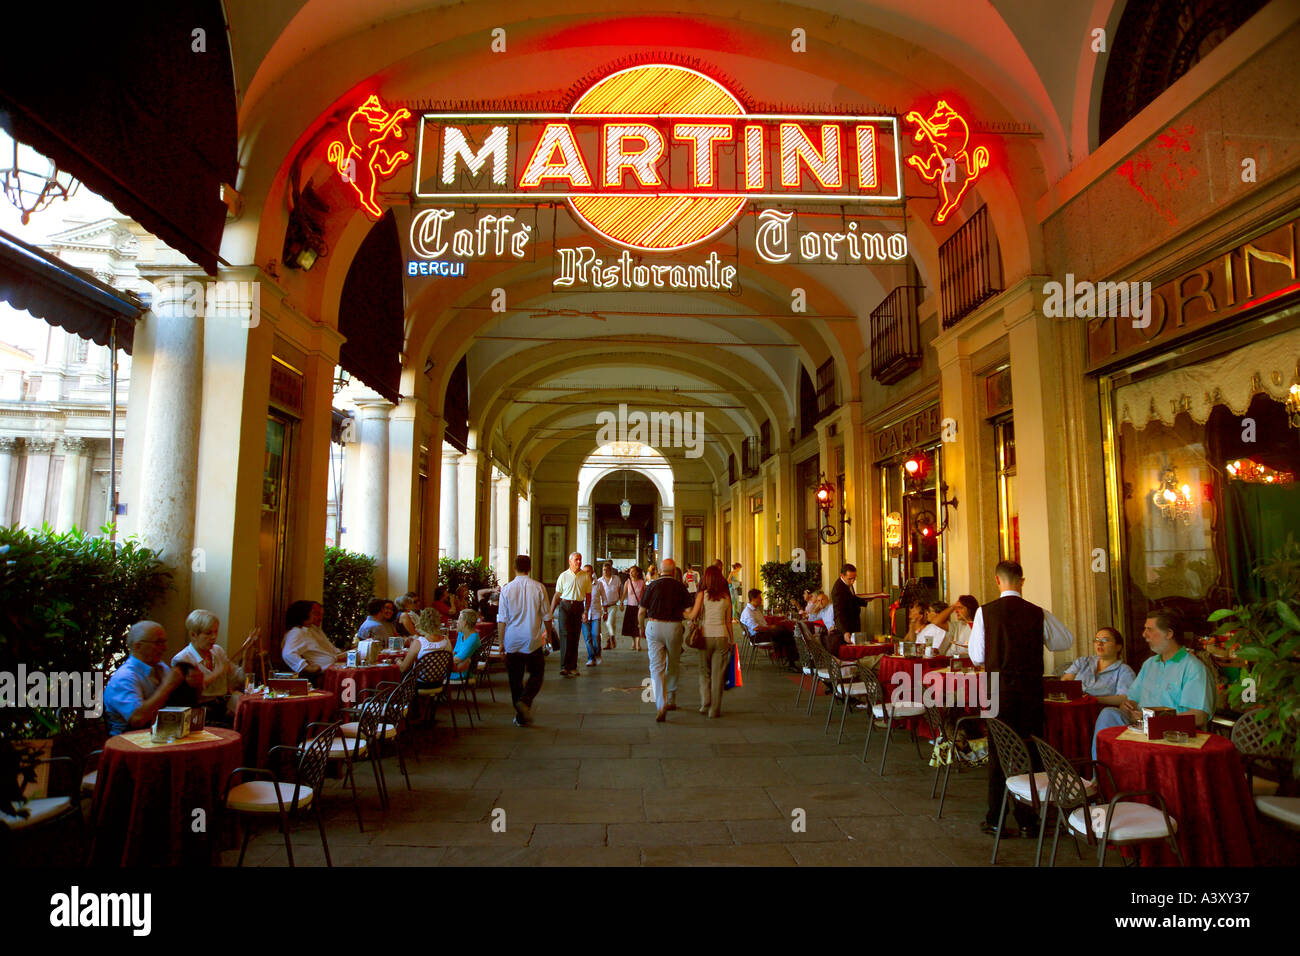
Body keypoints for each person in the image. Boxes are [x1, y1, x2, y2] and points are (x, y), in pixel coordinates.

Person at [969, 560, 1074, 838]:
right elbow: (1064, 641)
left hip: (997, 689)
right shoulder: (1037, 613)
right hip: (1029, 691)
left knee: (999, 752)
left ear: (997, 580)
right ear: (1022, 581)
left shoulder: (985, 612)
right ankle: (1029, 820)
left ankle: (996, 819)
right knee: (1030, 751)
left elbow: (977, 656)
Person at [1091, 611, 1214, 756]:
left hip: (1172, 735)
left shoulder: (1193, 668)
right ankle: (1100, 775)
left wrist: (1155, 721)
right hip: (1140, 729)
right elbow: (1131, 700)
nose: (1144, 634)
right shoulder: (1150, 664)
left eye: (1149, 629)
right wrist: (1128, 707)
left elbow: (1199, 716)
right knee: (1109, 714)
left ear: (1168, 634)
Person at [170, 609, 255, 724]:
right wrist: (218, 673)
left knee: (252, 714)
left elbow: (241, 679)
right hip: (200, 711)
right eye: (208, 633)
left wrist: (247, 656)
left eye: (216, 632)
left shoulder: (217, 651)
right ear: (193, 634)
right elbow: (190, 695)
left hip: (224, 705)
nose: (214, 637)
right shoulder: (182, 659)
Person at [104, 621, 189, 735]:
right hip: (129, 742)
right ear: (138, 646)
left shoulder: (160, 667)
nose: (165, 648)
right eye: (158, 643)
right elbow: (138, 719)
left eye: (164, 642)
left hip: (160, 735)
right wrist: (168, 686)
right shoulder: (124, 678)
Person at [638, 558, 692, 721]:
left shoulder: (652, 585)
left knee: (656, 667)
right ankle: (672, 698)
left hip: (654, 626)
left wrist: (641, 628)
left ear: (660, 570)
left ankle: (661, 704)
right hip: (673, 627)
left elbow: (641, 612)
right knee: (673, 663)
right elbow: (688, 611)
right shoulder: (680, 587)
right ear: (674, 571)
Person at [498, 554, 549, 726]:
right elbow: (547, 616)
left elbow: (502, 620)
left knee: (515, 679)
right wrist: (548, 634)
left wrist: (501, 643)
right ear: (530, 568)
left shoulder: (506, 589)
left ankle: (520, 715)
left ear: (514, 568)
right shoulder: (539, 588)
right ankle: (525, 701)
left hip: (512, 640)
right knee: (537, 673)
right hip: (532, 640)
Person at [684, 565, 735, 717]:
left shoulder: (702, 594)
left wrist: (683, 612)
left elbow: (693, 615)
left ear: (706, 578)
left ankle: (705, 702)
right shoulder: (726, 597)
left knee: (704, 671)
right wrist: (731, 640)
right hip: (722, 636)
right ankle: (715, 709)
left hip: (705, 636)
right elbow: (728, 621)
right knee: (718, 675)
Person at [1061, 627, 1135, 705]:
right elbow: (1065, 682)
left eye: (1105, 640)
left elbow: (1124, 698)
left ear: (1118, 647)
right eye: (1096, 640)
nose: (1099, 643)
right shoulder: (1082, 662)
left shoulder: (1124, 671)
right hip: (1073, 707)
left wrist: (1094, 699)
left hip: (1100, 710)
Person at [282, 600, 347, 679]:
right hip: (322, 675)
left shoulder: (311, 629)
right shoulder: (296, 632)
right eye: (313, 613)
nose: (315, 617)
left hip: (332, 669)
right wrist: (306, 667)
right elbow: (287, 654)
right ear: (304, 614)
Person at [548, 551, 589, 677]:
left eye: (580, 559)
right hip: (565, 606)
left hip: (578, 606)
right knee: (565, 634)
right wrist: (550, 611)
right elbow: (557, 595)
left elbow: (588, 595)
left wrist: (586, 611)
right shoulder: (563, 576)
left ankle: (573, 667)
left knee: (575, 636)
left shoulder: (585, 576)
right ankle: (564, 666)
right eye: (576, 559)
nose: (579, 562)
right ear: (570, 561)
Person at [739, 588, 798, 669]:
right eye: (759, 598)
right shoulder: (748, 612)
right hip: (758, 636)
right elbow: (756, 628)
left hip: (763, 633)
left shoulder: (755, 610)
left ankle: (787, 658)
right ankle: (791, 660)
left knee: (785, 632)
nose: (761, 600)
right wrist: (770, 628)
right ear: (753, 599)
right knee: (787, 635)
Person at [830, 563, 882, 652]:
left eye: (854, 578)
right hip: (848, 627)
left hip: (854, 624)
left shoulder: (846, 583)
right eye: (850, 579)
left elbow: (851, 598)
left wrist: (864, 600)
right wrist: (845, 632)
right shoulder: (838, 589)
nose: (853, 581)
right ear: (842, 575)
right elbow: (839, 613)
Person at [397, 609, 452, 673]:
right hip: (440, 681)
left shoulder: (419, 643)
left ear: (421, 623)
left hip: (419, 682)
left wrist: (398, 661)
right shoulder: (446, 640)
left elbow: (403, 669)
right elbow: (451, 666)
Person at [582, 563, 605, 667]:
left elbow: (604, 598)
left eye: (588, 571)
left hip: (596, 614)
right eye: (584, 571)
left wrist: (606, 611)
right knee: (587, 637)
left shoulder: (599, 584)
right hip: (584, 615)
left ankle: (597, 654)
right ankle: (591, 657)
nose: (586, 573)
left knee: (595, 635)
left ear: (592, 572)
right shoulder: (580, 584)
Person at [596, 563, 623, 650]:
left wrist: (621, 602)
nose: (605, 571)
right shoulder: (599, 581)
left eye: (607, 570)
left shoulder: (616, 579)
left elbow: (620, 591)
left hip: (613, 605)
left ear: (611, 570)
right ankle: (608, 642)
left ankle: (612, 637)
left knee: (609, 622)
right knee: (605, 625)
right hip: (603, 607)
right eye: (604, 570)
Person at [449, 609, 482, 681]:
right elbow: (455, 652)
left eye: (459, 619)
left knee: (434, 675)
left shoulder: (473, 638)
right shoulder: (461, 634)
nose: (457, 622)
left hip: (464, 673)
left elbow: (459, 659)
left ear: (464, 623)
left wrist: (441, 663)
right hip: (457, 667)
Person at [623, 564, 647, 651]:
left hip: (639, 607)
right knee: (630, 626)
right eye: (630, 572)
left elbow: (645, 595)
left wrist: (646, 605)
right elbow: (624, 593)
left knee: (638, 625)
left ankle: (638, 644)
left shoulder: (642, 582)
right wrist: (621, 602)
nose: (631, 573)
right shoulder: (627, 582)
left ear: (637, 573)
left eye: (633, 571)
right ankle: (633, 642)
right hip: (630, 606)